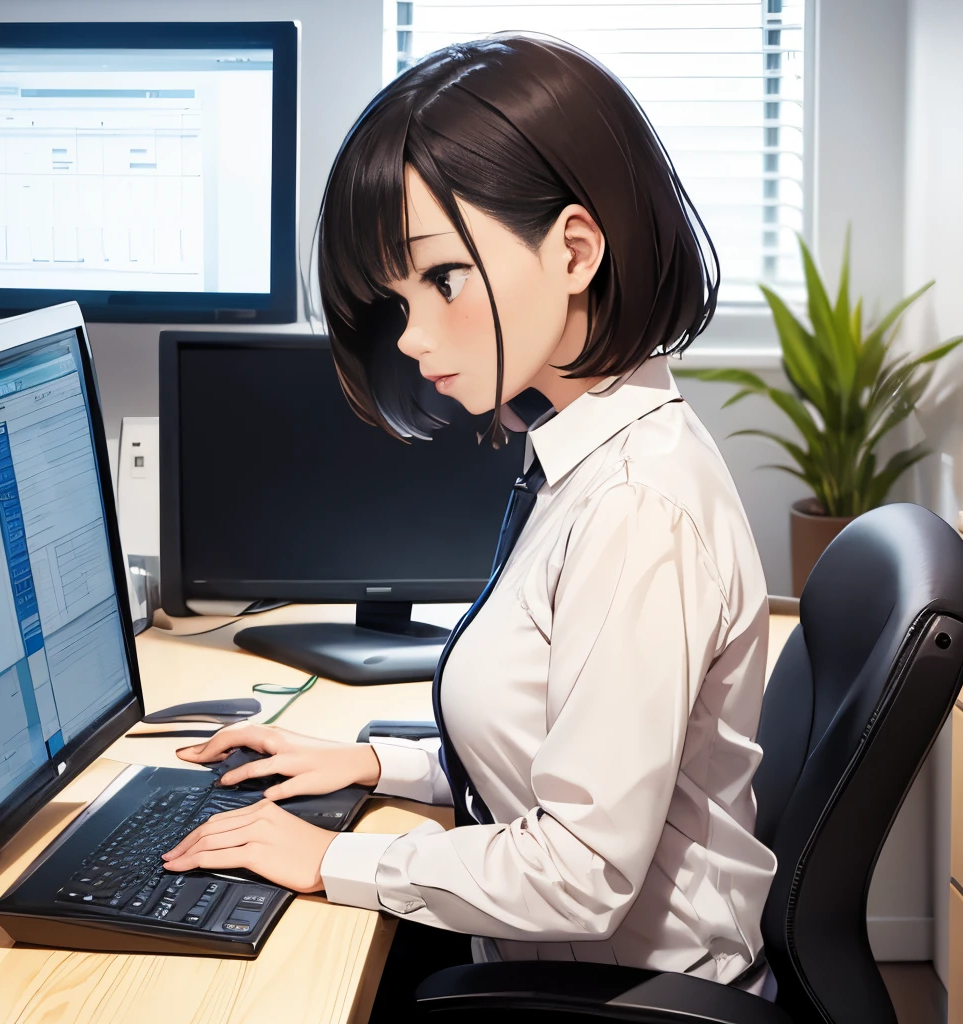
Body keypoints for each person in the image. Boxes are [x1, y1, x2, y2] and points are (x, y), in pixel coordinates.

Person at [162, 33, 777, 999]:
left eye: (442, 278)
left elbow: (583, 872)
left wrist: (329, 863)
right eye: (397, 295)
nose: (409, 334)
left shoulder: (636, 509)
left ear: (574, 250)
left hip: (612, 1001)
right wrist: (370, 762)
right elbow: (554, 752)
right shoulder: (585, 450)